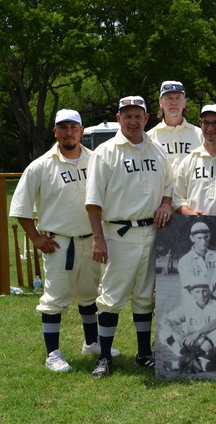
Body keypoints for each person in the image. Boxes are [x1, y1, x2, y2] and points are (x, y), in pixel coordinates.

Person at [10, 109, 119, 372]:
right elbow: (20, 207)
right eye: (63, 127)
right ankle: (53, 353)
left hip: (91, 240)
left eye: (74, 127)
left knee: (89, 295)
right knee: (55, 299)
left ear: (82, 131)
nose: (68, 132)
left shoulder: (96, 160)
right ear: (55, 131)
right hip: (59, 244)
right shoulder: (40, 166)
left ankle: (91, 342)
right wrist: (35, 237)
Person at [85, 95, 174, 378]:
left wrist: (164, 203)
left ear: (147, 118)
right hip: (118, 232)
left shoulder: (157, 150)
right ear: (118, 118)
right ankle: (104, 357)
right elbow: (93, 200)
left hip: (150, 231)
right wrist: (98, 238)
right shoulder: (105, 151)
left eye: (138, 115)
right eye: (128, 115)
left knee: (145, 296)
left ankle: (143, 353)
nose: (133, 120)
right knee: (112, 296)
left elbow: (169, 184)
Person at [159, 282, 216, 373]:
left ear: (209, 291)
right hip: (188, 344)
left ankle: (185, 360)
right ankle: (188, 358)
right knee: (164, 332)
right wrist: (175, 333)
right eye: (197, 291)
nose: (201, 295)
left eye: (204, 291)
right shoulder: (187, 305)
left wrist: (197, 333)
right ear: (191, 293)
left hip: (207, 345)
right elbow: (164, 320)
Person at [147, 80, 203, 172]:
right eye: (169, 98)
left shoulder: (200, 136)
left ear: (184, 102)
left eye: (178, 98)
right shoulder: (149, 138)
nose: (174, 102)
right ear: (160, 102)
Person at [176, 222, 216, 290]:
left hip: (213, 298)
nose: (203, 242)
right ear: (192, 238)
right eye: (199, 238)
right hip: (192, 299)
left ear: (209, 236)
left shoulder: (215, 256)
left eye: (206, 237)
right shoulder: (185, 260)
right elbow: (189, 285)